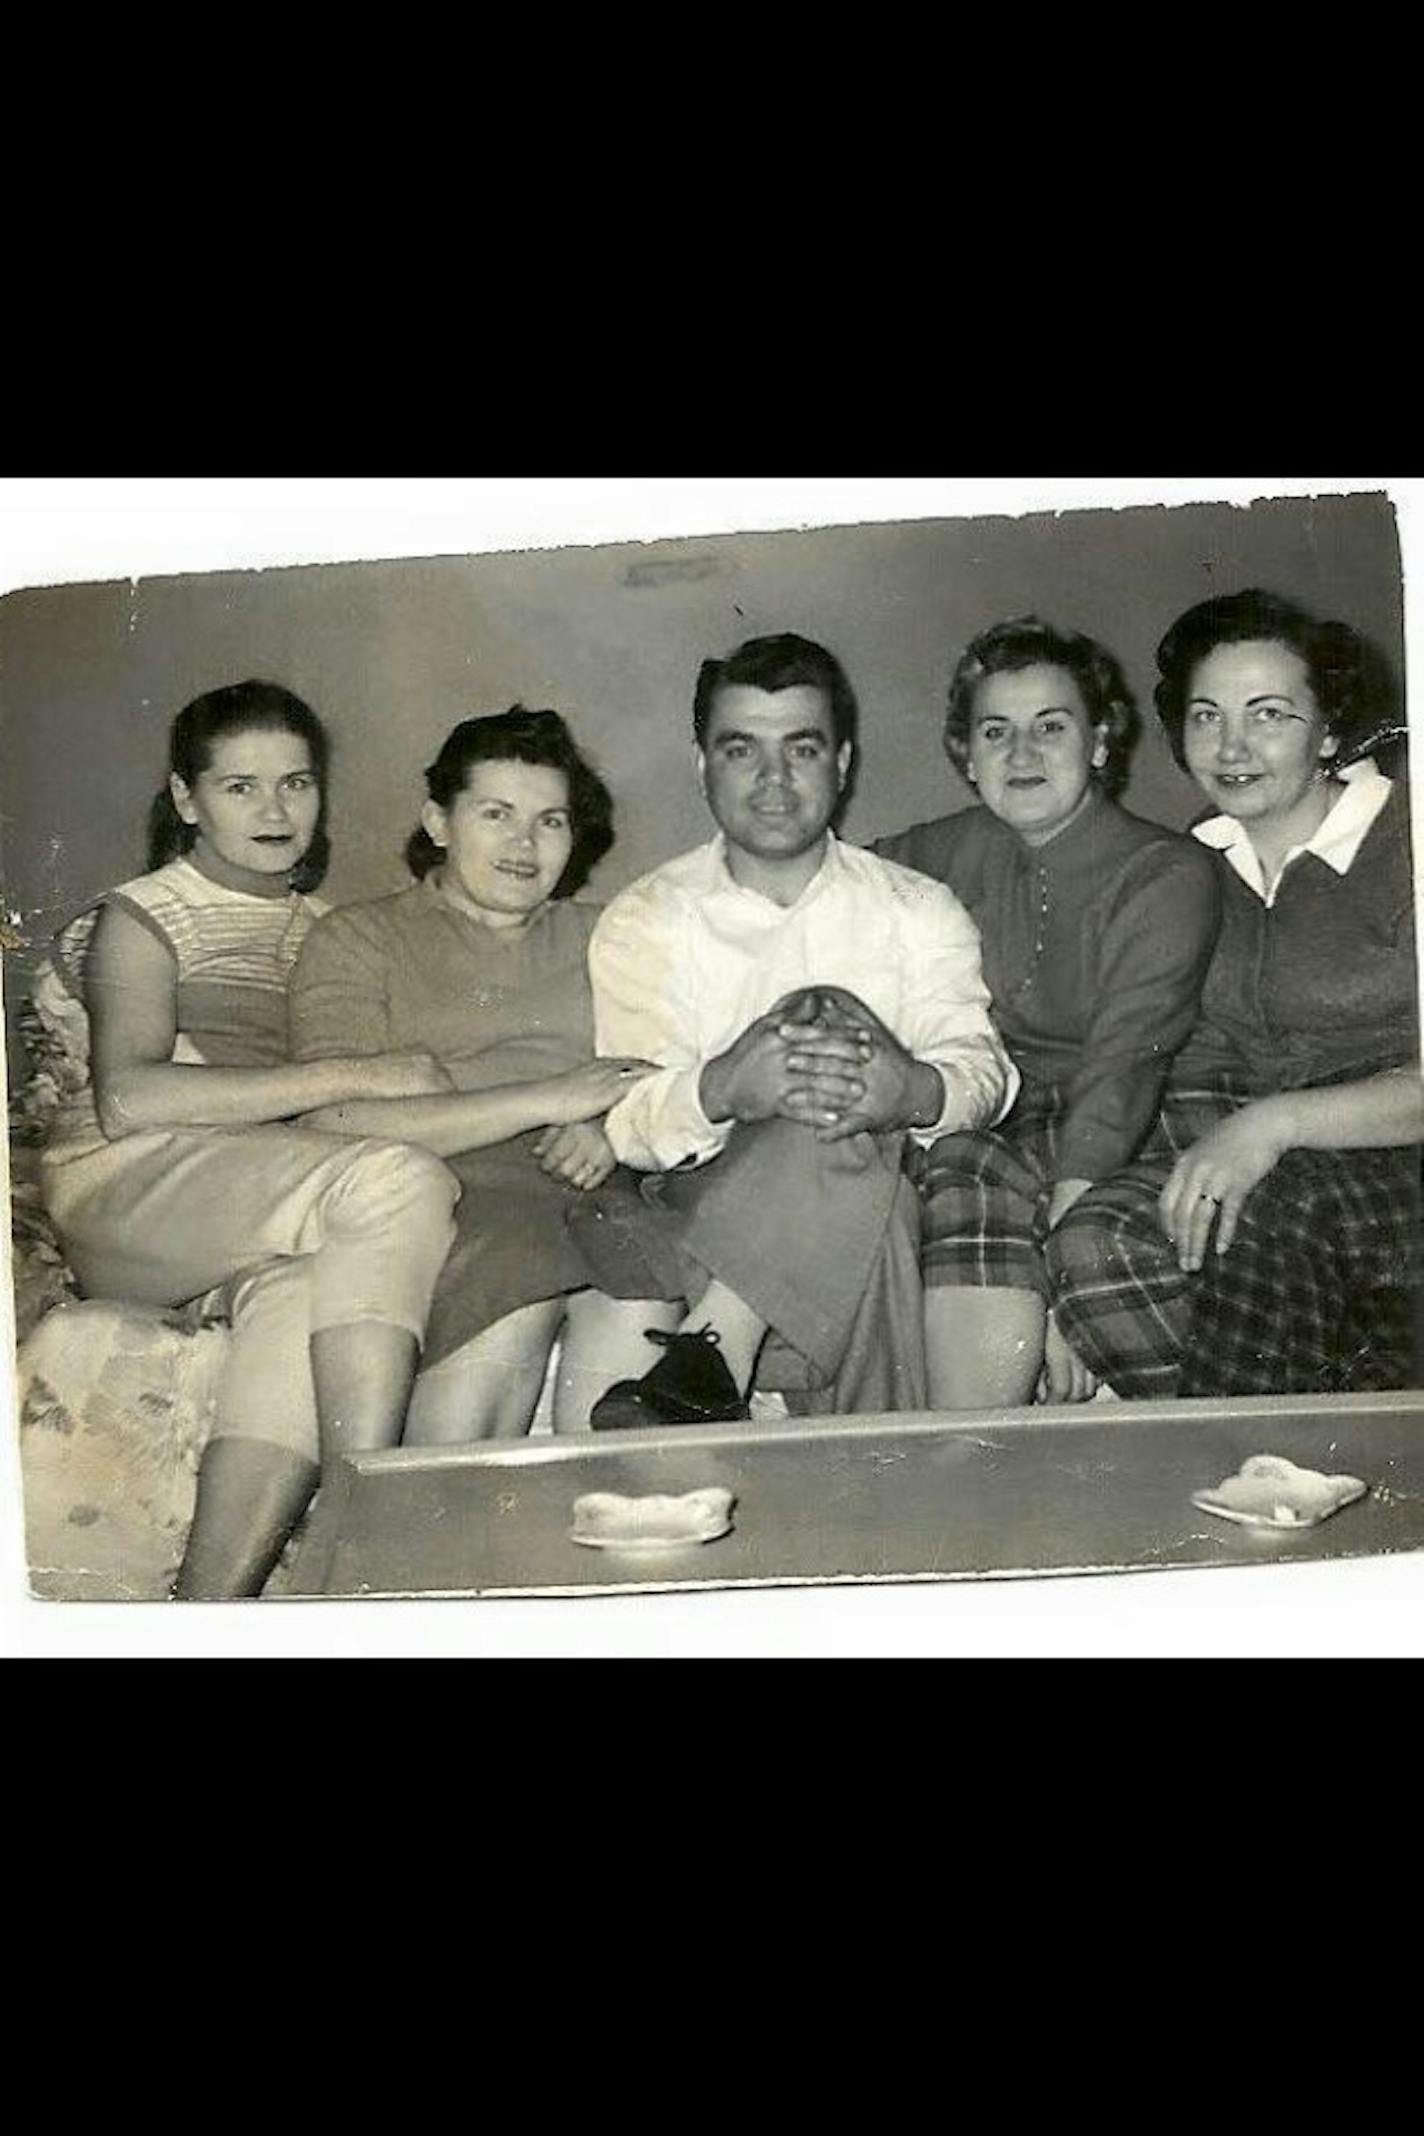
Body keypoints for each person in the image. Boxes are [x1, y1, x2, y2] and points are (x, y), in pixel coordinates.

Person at [38, 681, 460, 1599]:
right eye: (240, 787)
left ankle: (211, 1609)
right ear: (187, 799)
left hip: (237, 1196)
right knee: (392, 1181)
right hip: (124, 1184)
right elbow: (129, 1098)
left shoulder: (328, 927)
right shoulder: (144, 913)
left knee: (309, 1293)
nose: (275, 811)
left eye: (296, 784)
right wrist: (354, 1077)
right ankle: (373, 1512)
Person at [580, 632, 1017, 1428]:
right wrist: (724, 1088)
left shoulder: (916, 908)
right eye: (741, 749)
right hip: (709, 1196)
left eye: (802, 750)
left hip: (884, 1185)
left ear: (842, 764)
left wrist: (909, 1090)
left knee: (835, 1049)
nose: (774, 780)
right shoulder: (646, 918)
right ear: (701, 764)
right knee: (833, 1055)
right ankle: (877, 1495)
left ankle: (715, 1346)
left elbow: (984, 1070)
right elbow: (628, 1121)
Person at [1048, 589, 1422, 1398]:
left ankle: (1254, 1474)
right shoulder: (1194, 862)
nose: (1232, 745)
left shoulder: (1408, 838)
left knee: (1269, 1212)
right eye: (1207, 715)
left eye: (1269, 714)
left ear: (1327, 728)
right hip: (1282, 1152)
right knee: (1093, 1241)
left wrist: (1274, 1125)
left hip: (1391, 1149)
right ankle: (1328, 1414)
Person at [288, 709, 680, 1440]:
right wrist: (549, 1098)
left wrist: (608, 1124)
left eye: (551, 821)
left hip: (597, 1187)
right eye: (496, 814)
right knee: (519, 1290)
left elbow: (668, 1064)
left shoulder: (610, 934)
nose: (524, 844)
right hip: (446, 1188)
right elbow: (330, 1121)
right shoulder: (357, 936)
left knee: (644, 1297)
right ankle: (432, 1540)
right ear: (438, 821)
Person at [876, 619, 1221, 1407]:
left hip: (1152, 1110)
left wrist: (1064, 1287)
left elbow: (1127, 1062)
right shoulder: (941, 850)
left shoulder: (1166, 869)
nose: (1021, 754)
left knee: (1032, 1188)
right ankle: (972, 1464)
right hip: (1019, 1115)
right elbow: (823, 882)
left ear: (1100, 742)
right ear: (966, 754)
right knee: (959, 1158)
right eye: (995, 731)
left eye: (1051, 728)